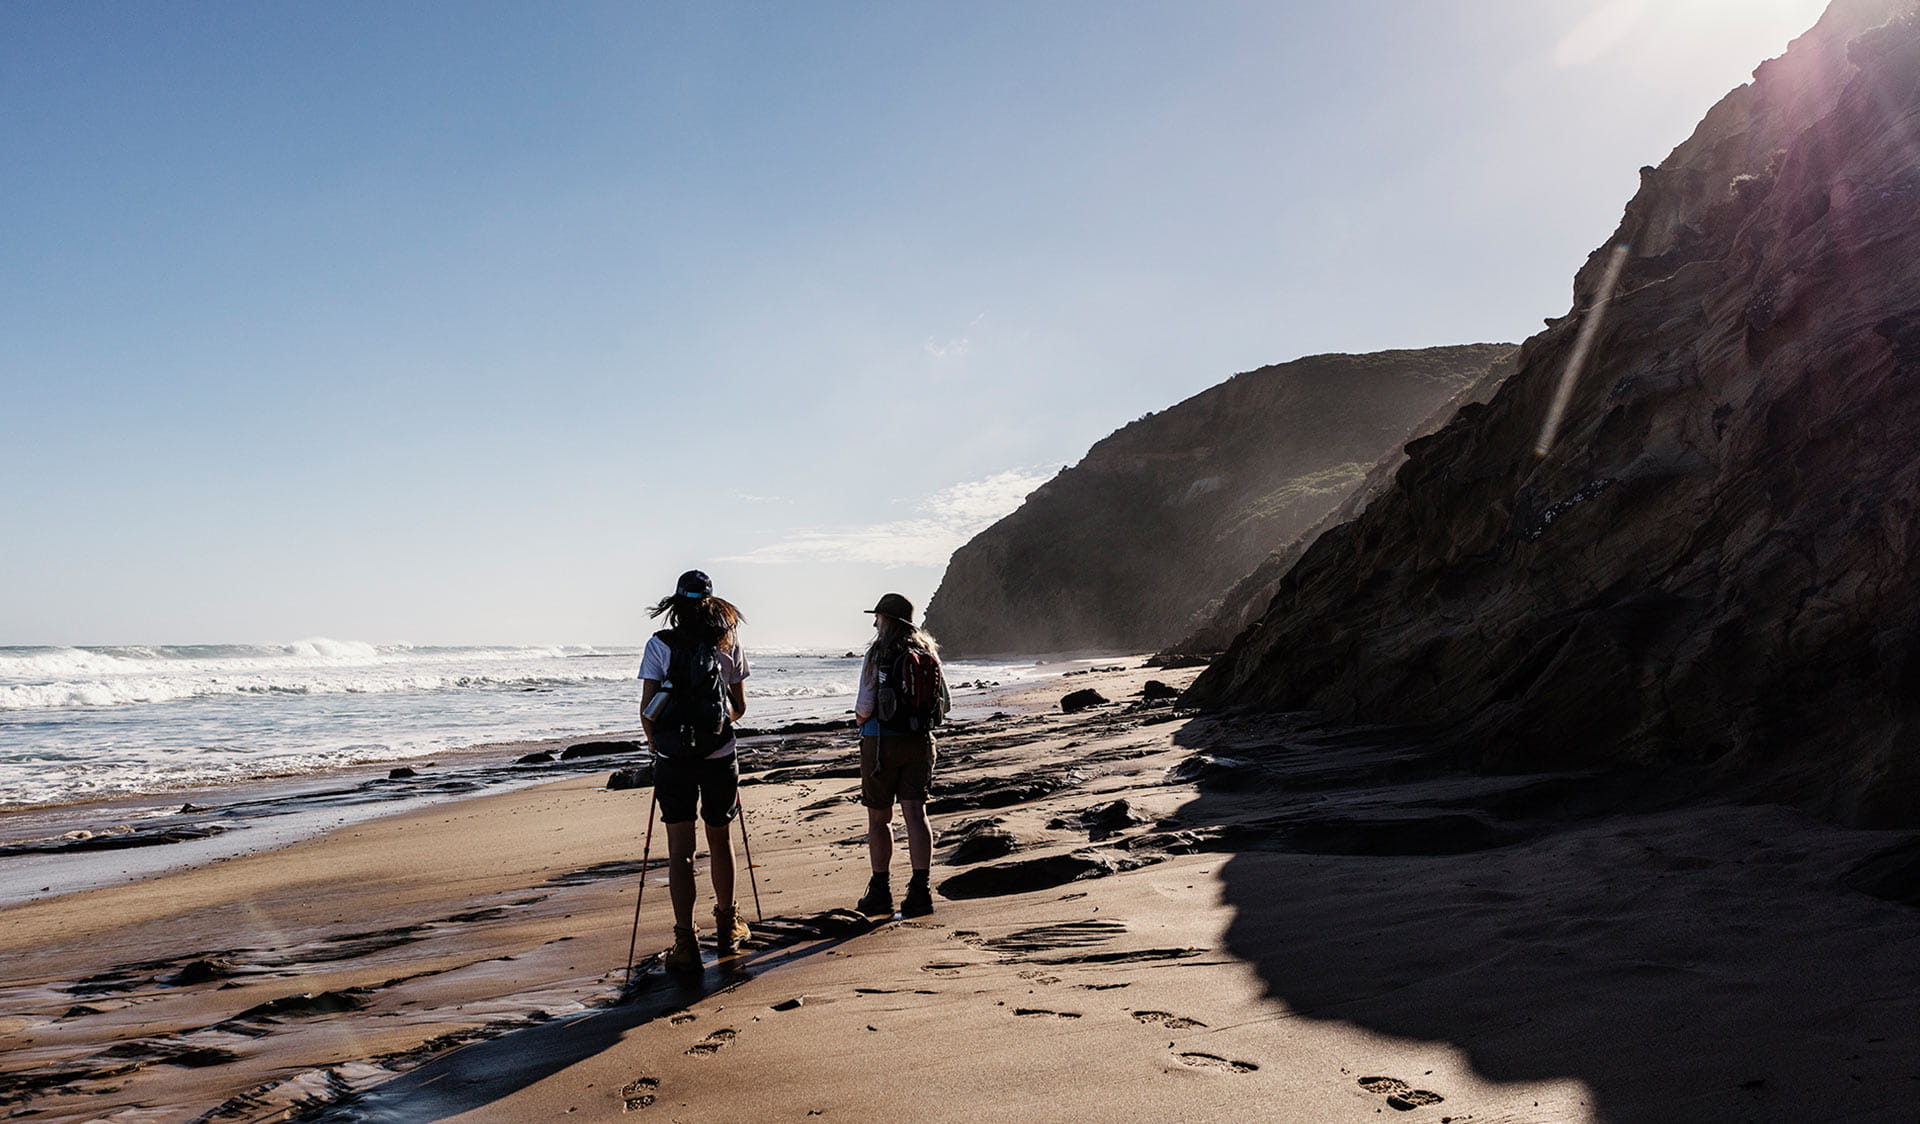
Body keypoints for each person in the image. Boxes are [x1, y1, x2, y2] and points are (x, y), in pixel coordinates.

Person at [638, 569, 751, 971]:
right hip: (719, 756)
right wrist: (718, 723)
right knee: (720, 840)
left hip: (673, 762)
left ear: (676, 603)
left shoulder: (659, 644)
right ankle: (728, 925)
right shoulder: (728, 642)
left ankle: (685, 942)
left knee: (679, 852)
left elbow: (647, 710)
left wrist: (661, 747)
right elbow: (738, 708)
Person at [852, 592, 949, 917]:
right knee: (916, 815)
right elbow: (944, 704)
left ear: (886, 620)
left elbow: (865, 705)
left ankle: (880, 891)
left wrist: (861, 721)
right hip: (920, 742)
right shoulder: (927, 651)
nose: (874, 622)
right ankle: (920, 892)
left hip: (880, 745)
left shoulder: (878, 653)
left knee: (880, 819)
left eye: (878, 617)